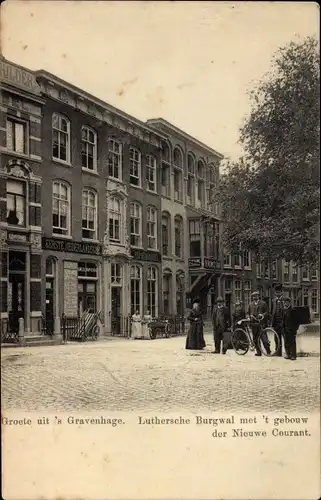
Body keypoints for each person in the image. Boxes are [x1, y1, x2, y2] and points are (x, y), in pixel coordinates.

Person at [248, 291, 270, 356]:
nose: (255, 297)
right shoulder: (250, 304)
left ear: (258, 296)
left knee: (264, 339)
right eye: (254, 296)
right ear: (252, 297)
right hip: (253, 324)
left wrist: (262, 315)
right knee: (255, 339)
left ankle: (268, 351)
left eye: (256, 296)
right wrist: (248, 317)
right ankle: (258, 352)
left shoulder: (263, 303)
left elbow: (267, 312)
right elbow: (247, 313)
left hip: (261, 324)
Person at [271, 284, 285, 356]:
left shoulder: (285, 300)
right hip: (276, 323)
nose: (278, 294)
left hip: (283, 322)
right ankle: (278, 352)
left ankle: (288, 352)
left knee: (285, 338)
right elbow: (272, 312)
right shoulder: (273, 301)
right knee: (276, 338)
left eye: (279, 292)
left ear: (282, 292)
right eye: (276, 292)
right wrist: (271, 323)